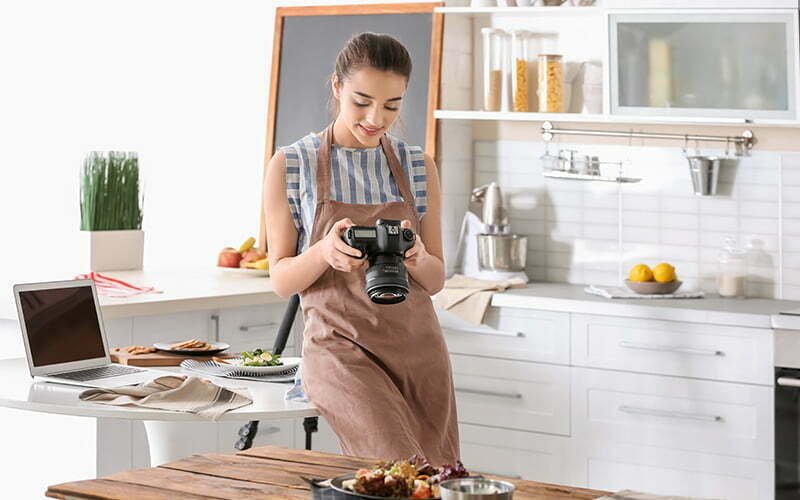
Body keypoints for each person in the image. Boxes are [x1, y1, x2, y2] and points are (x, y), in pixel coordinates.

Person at [263, 32, 459, 465]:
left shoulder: (417, 166)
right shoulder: (291, 164)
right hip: (341, 349)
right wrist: (322, 253)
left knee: (436, 480)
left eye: (392, 105)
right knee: (397, 473)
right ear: (337, 87)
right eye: (362, 101)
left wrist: (419, 259)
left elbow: (436, 279)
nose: (376, 117)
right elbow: (281, 280)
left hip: (418, 350)